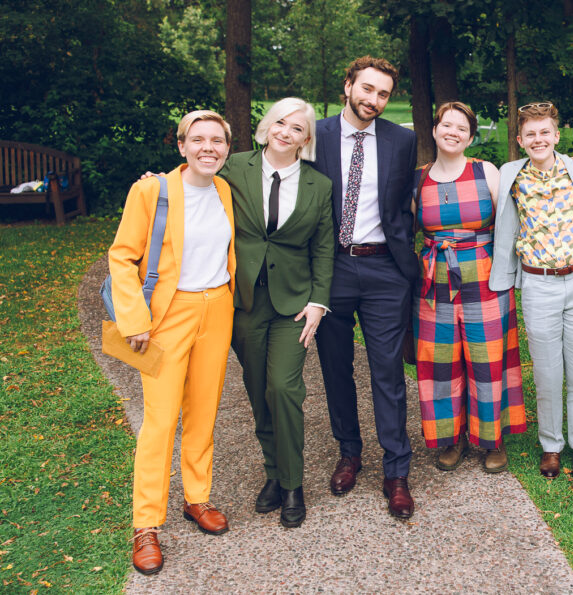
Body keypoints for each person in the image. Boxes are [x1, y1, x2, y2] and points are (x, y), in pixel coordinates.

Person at [109, 110, 236, 575]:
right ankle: (146, 524)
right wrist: (134, 318)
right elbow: (122, 257)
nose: (209, 147)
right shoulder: (152, 190)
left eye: (217, 140)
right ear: (181, 146)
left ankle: (196, 498)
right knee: (160, 421)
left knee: (203, 410)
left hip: (217, 308)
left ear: (227, 147)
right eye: (198, 139)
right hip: (166, 315)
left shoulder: (224, 189)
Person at [219, 98, 334, 529]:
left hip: (294, 304)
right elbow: (190, 184)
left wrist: (318, 303)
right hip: (244, 300)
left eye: (297, 128)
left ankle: (292, 485)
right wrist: (156, 182)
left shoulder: (318, 186)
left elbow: (323, 249)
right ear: (267, 126)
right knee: (257, 391)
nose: (286, 132)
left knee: (284, 389)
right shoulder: (234, 168)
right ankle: (273, 472)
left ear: (306, 139)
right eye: (280, 122)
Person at [313, 56, 419, 519]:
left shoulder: (403, 140)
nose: (374, 100)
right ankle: (349, 452)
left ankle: (396, 471)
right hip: (330, 268)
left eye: (383, 94)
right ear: (348, 84)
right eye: (368, 89)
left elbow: (403, 205)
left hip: (384, 271)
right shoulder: (314, 135)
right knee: (336, 367)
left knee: (387, 373)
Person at [491, 101, 573, 481]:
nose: (538, 139)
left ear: (557, 135)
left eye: (545, 132)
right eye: (530, 134)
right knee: (546, 370)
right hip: (537, 283)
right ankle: (552, 446)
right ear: (520, 140)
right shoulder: (510, 174)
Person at [413, 101, 527, 473]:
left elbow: (509, 227)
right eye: (446, 125)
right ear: (434, 130)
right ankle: (452, 437)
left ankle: (491, 439)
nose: (453, 132)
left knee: (487, 360)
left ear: (470, 137)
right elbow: (408, 230)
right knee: (441, 363)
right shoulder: (419, 178)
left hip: (485, 280)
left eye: (461, 128)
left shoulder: (486, 172)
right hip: (435, 285)